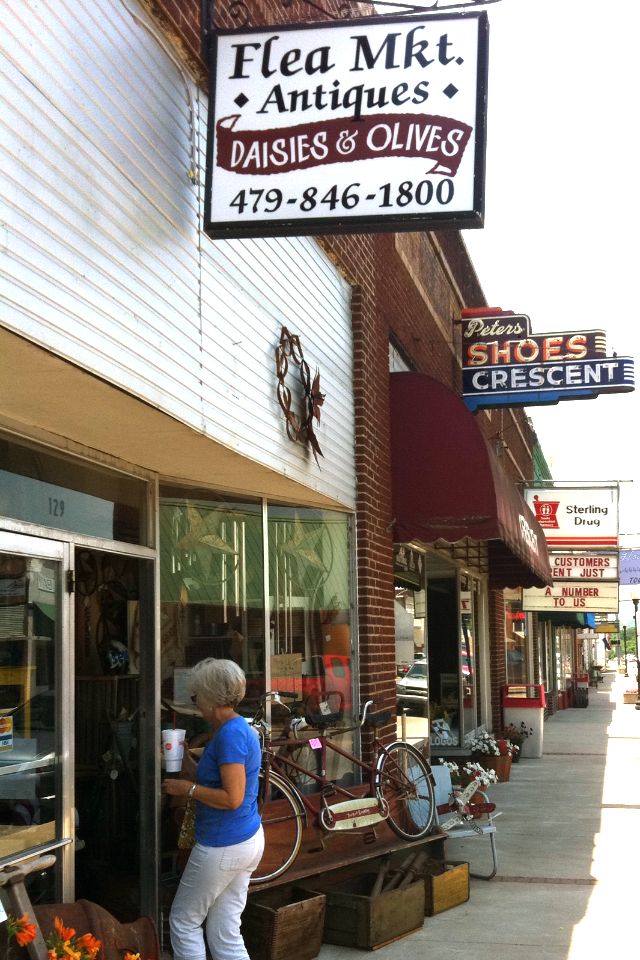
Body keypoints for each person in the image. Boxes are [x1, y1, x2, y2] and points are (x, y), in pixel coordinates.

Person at [164, 658, 263, 960]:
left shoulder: (230, 735)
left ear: (210, 696)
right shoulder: (237, 729)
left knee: (183, 921)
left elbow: (232, 797)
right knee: (224, 928)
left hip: (223, 841)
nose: (195, 704)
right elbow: (224, 783)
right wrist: (185, 766)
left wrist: (187, 789)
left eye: (196, 697)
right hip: (244, 838)